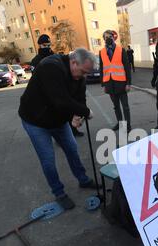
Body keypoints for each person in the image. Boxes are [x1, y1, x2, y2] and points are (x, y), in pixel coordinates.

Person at [18, 48, 100, 209]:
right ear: (74, 62)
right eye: (83, 72)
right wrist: (86, 112)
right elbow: (60, 100)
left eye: (86, 74)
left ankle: (83, 179)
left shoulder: (79, 75)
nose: (84, 77)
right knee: (48, 159)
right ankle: (59, 193)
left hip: (58, 120)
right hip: (35, 121)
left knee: (72, 148)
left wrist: (78, 115)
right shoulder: (51, 67)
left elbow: (80, 99)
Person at [30, 34, 84, 137]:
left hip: (61, 89)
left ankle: (73, 130)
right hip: (46, 94)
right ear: (39, 45)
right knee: (54, 116)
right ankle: (59, 136)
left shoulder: (54, 56)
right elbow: (35, 80)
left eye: (48, 45)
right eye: (44, 45)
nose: (47, 47)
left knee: (68, 111)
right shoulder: (35, 61)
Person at [99, 30, 132, 132]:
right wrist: (103, 84)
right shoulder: (102, 52)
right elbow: (102, 68)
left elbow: (127, 67)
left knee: (125, 106)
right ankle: (120, 123)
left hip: (121, 83)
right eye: (106, 37)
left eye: (110, 36)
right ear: (104, 39)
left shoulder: (120, 50)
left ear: (113, 37)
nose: (108, 38)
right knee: (116, 106)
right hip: (109, 84)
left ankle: (128, 125)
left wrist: (128, 83)